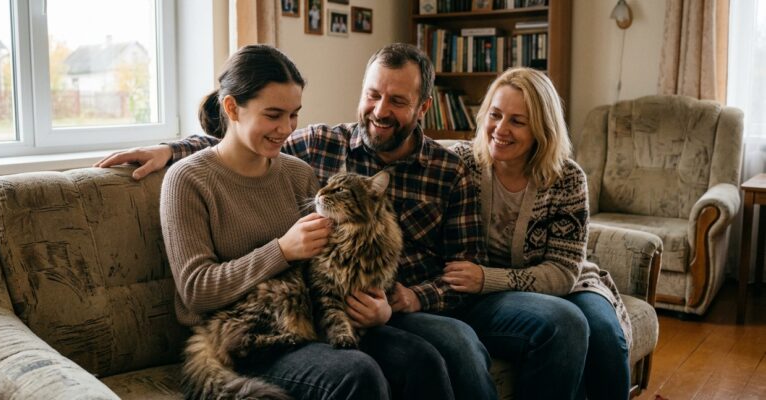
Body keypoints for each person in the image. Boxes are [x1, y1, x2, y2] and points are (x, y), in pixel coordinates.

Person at [96, 43, 588, 399]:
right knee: (368, 371)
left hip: (380, 303)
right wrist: (172, 148)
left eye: (398, 101)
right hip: (266, 325)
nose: (380, 110)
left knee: (440, 352)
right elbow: (237, 144)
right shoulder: (313, 149)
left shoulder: (311, 169)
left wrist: (406, 300)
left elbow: (464, 269)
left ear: (423, 107)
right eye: (373, 94)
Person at [160, 44, 455, 400]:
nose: (286, 129)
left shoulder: (299, 173)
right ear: (232, 108)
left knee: (423, 360)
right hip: (246, 336)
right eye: (273, 115)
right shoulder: (186, 180)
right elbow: (195, 290)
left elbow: (331, 266)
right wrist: (282, 251)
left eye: (294, 115)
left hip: (315, 314)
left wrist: (379, 306)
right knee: (357, 374)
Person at [444, 67, 632, 400]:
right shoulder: (461, 164)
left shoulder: (567, 178)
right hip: (489, 296)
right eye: (495, 115)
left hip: (567, 281)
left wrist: (486, 278)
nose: (501, 129)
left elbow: (561, 273)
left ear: (542, 130)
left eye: (517, 121)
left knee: (605, 335)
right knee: (566, 324)